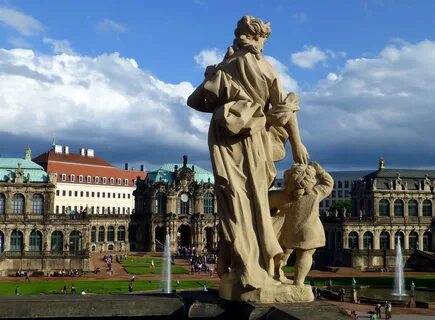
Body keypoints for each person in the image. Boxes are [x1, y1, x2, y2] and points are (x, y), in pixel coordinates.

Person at [187, 15, 309, 299]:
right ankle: (261, 268)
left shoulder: (225, 66)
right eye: (265, 38)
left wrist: (223, 103)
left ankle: (240, 269)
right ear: (258, 37)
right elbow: (284, 110)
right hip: (253, 139)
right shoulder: (266, 69)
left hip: (223, 138)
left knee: (233, 202)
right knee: (255, 200)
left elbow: (194, 102)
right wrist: (296, 143)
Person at [269, 162, 333, 285]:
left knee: (284, 252)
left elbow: (263, 204)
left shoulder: (280, 196)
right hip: (310, 232)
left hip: (287, 231)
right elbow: (328, 183)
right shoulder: (315, 194)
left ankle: (276, 272)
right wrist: (320, 171)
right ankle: (298, 283)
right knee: (305, 255)